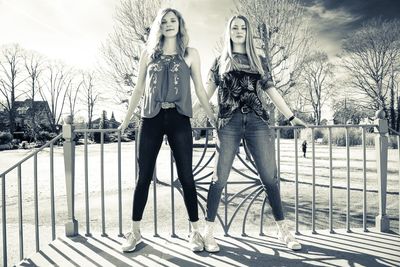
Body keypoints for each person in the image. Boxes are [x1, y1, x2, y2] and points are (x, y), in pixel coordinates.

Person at [200, 15, 307, 252]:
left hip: (258, 122)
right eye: (234, 27)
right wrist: (191, 112)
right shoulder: (220, 61)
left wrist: (291, 116)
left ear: (248, 33)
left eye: (243, 28)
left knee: (270, 178)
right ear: (228, 32)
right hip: (228, 123)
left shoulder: (259, 61)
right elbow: (205, 93)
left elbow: (271, 91)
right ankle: (208, 232)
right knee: (219, 179)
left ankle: (283, 230)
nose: (239, 31)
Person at [118, 8, 216, 253]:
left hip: (179, 118)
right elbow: (138, 90)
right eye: (164, 21)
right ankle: (135, 232)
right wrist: (125, 120)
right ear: (159, 26)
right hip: (150, 118)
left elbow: (201, 90)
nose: (169, 24)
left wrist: (213, 118)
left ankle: (195, 232)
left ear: (180, 25)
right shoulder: (148, 54)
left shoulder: (190, 54)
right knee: (143, 178)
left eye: (174, 20)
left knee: (186, 176)